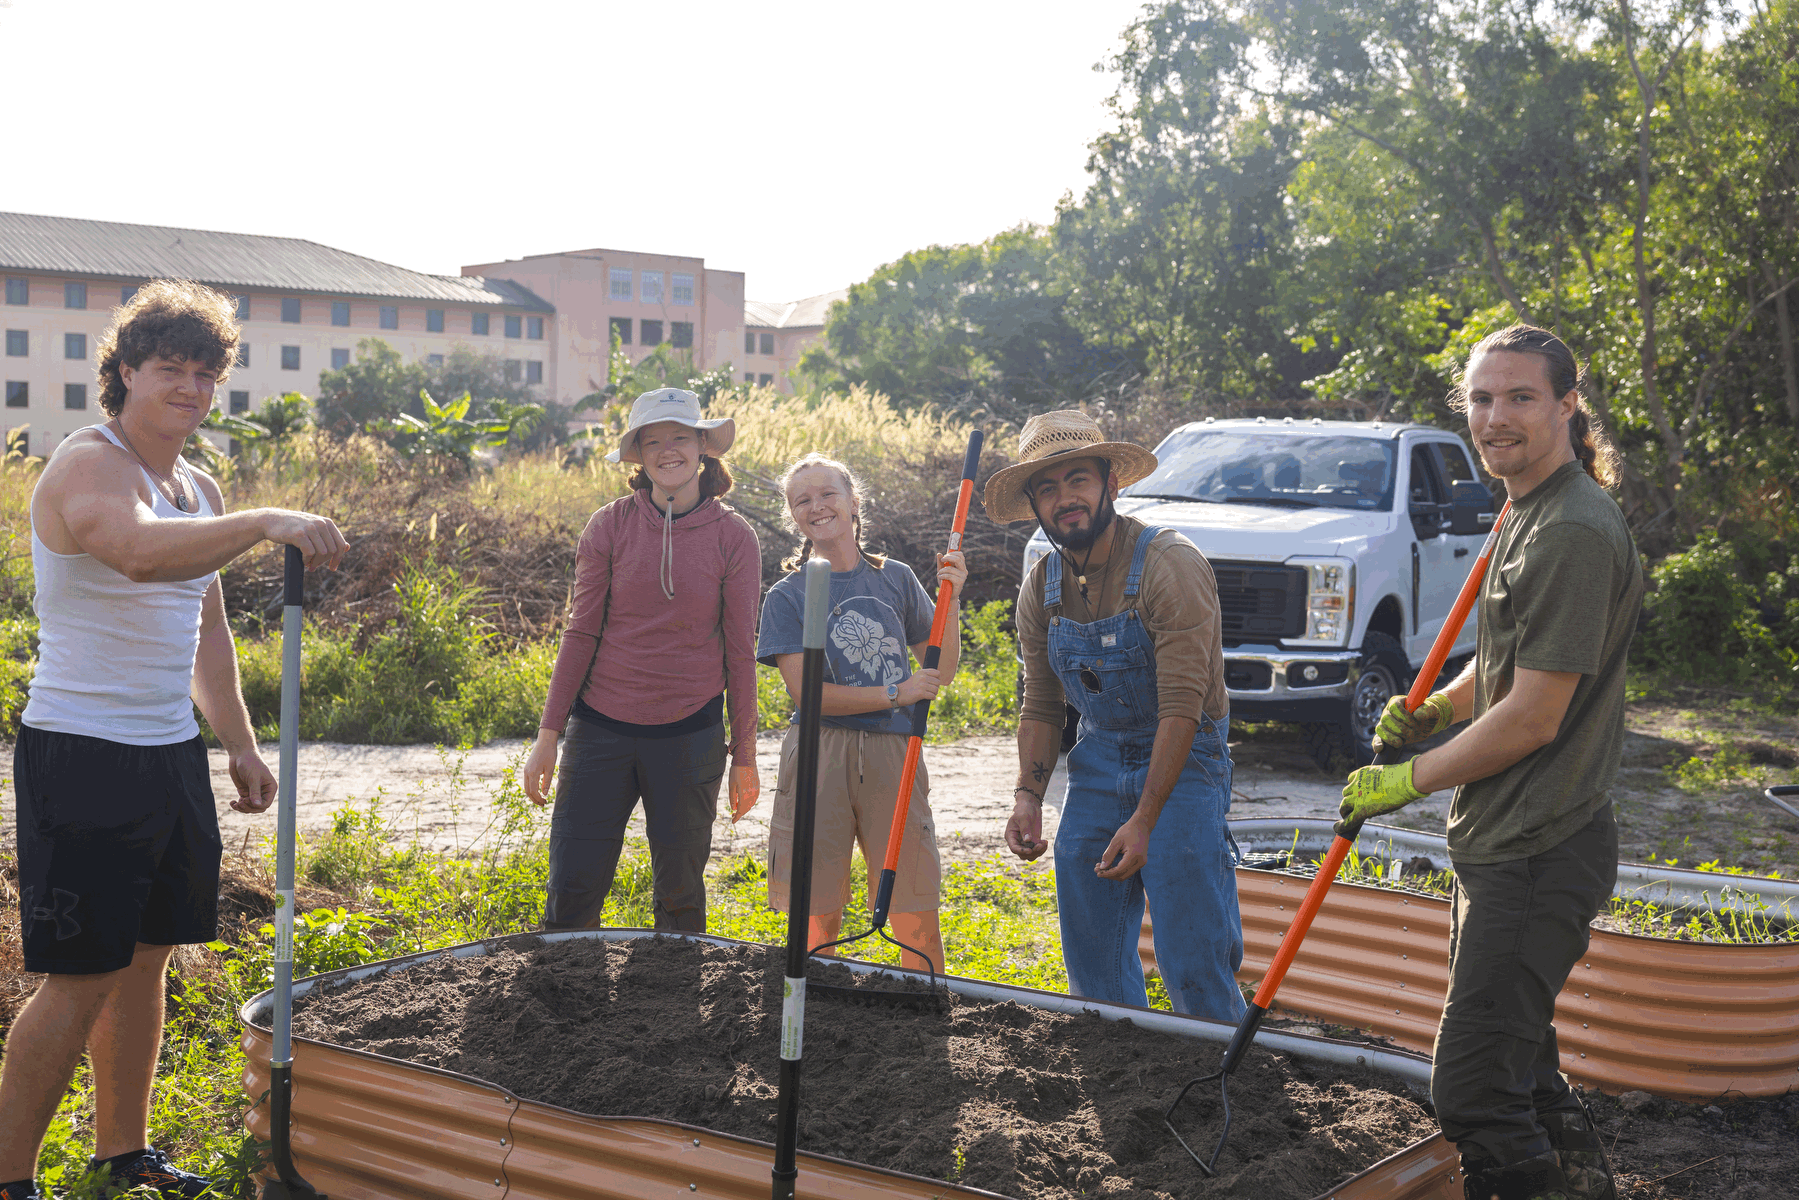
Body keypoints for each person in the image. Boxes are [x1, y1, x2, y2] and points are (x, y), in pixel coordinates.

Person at [0, 280, 349, 1200]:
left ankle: (123, 1153)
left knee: (149, 958)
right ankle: (9, 1179)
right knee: (79, 976)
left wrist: (235, 741)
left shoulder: (197, 482)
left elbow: (205, 627)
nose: (190, 388)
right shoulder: (89, 462)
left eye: (206, 372)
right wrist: (268, 521)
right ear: (123, 372)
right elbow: (141, 553)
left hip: (167, 754)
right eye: (170, 370)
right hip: (82, 750)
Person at [1337, 326, 1639, 1200]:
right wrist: (1440, 705)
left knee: (1470, 1089)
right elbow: (1507, 665)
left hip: (1539, 845)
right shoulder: (1527, 506)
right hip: (1506, 838)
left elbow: (1534, 717)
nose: (1493, 417)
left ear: (1566, 405)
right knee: (1522, 1070)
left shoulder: (1572, 530)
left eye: (1519, 397)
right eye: (1479, 398)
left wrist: (1409, 776)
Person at [991, 410, 1244, 1021]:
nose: (1064, 499)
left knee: (1193, 960)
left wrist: (1146, 818)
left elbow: (1184, 702)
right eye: (1046, 488)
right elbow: (1043, 703)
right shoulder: (1040, 586)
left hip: (1184, 768)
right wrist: (1028, 794)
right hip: (1099, 763)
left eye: (1076, 479)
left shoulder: (1167, 563)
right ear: (1034, 505)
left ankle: (1227, 1092)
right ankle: (1126, 1089)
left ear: (1110, 482)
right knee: (1093, 964)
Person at [523, 388, 761, 933]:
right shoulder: (607, 526)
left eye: (679, 436)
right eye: (652, 440)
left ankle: (672, 1008)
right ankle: (562, 1006)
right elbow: (580, 632)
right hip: (600, 727)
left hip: (690, 730)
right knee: (572, 887)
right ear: (638, 455)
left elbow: (740, 652)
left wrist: (743, 751)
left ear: (703, 446)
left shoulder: (734, 538)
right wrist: (548, 734)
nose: (667, 449)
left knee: (680, 895)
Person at [755, 452, 966, 973]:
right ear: (793, 517)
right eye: (801, 500)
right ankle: (816, 1005)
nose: (817, 506)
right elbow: (810, 694)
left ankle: (922, 1004)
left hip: (896, 751)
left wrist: (953, 599)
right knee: (816, 907)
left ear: (854, 502)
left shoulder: (894, 578)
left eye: (828, 494)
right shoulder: (788, 594)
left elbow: (941, 669)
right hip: (819, 754)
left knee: (913, 905)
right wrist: (897, 693)